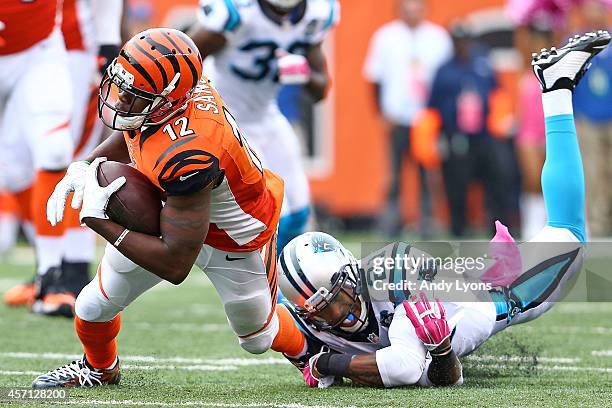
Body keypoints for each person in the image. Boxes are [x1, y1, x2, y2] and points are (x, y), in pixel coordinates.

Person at [276, 30, 607, 388]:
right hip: (451, 304)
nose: (341, 313)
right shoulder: (305, 321)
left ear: (351, 274)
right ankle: (557, 86)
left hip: (494, 298)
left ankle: (556, 88)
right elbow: (423, 374)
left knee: (569, 237)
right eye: (323, 310)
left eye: (339, 297)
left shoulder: (392, 279)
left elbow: (407, 369)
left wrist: (329, 363)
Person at [32, 28, 305, 388]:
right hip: (175, 210)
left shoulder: (190, 152)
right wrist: (85, 165)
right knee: (92, 306)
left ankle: (311, 346)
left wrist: (98, 219)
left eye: (134, 96)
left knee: (258, 335)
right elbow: (135, 127)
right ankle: (98, 368)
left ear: (166, 99)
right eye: (121, 87)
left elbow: (176, 265)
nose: (119, 100)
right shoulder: (170, 98)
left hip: (235, 234)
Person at [2, 0, 124, 316]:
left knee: (58, 149)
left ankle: (52, 278)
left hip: (40, 49)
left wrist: (108, 40)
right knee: (13, 173)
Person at [187, 0, 339, 252]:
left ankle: (288, 281)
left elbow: (320, 89)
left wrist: (303, 73)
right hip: (226, 117)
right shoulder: (237, 12)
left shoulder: (315, 13)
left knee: (300, 211)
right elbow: (185, 58)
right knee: (277, 213)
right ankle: (270, 287)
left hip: (266, 114)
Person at [363, 0, 452, 239]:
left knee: (427, 174)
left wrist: (442, 116)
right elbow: (374, 78)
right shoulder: (385, 37)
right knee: (393, 174)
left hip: (426, 119)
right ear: (399, 8)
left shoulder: (438, 37)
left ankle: (427, 223)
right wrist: (381, 113)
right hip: (397, 117)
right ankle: (390, 223)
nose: (412, 11)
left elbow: (446, 79)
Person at [427, 23, 508, 237]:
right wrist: (437, 137)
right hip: (457, 136)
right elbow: (432, 106)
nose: (462, 46)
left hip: (483, 135)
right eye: (458, 42)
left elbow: (496, 94)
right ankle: (458, 230)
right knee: (456, 187)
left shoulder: (482, 64)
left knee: (494, 182)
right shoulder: (444, 71)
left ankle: (497, 230)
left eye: (465, 41)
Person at [573, 0, 612, 237]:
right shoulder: (576, 44)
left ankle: (608, 218)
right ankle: (597, 225)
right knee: (593, 172)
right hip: (587, 119)